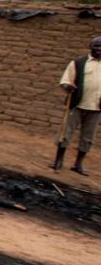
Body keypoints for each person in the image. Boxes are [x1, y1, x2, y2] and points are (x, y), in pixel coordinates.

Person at [52, 36, 101, 176]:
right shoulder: (78, 63)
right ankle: (58, 160)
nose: (99, 49)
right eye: (97, 46)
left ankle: (78, 164)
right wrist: (68, 87)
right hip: (76, 104)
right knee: (65, 133)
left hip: (96, 108)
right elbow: (65, 80)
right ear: (90, 46)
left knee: (88, 137)